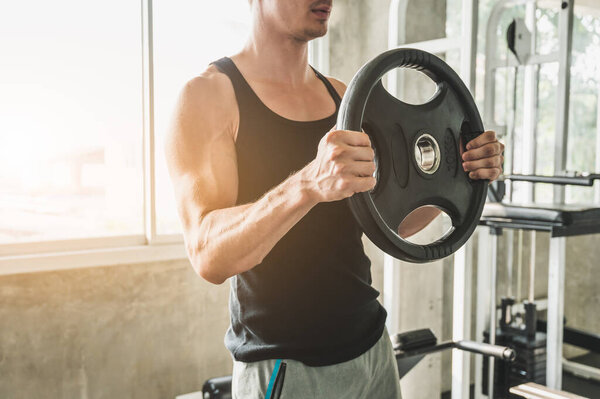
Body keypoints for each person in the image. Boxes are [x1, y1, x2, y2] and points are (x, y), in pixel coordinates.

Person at [163, 1, 504, 397]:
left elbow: (391, 220)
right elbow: (208, 254)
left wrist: (463, 172)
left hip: (373, 350)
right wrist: (307, 184)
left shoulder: (344, 96)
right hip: (287, 366)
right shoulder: (207, 97)